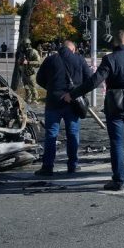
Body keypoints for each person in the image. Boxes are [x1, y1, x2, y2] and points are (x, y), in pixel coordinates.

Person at [65, 31, 124, 190]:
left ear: (117, 43)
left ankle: (118, 180)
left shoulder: (110, 59)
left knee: (116, 143)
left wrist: (73, 94)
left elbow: (93, 82)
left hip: (115, 107)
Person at [34, 41, 92, 176]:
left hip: (53, 102)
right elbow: (89, 79)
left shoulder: (50, 60)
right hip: (73, 103)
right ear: (73, 48)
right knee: (72, 134)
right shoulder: (79, 59)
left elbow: (39, 79)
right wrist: (77, 93)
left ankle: (47, 166)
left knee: (51, 135)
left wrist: (52, 89)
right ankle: (73, 165)